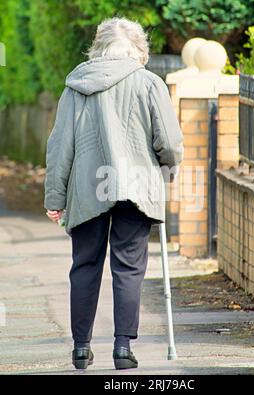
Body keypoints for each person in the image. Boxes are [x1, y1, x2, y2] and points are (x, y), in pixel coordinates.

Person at [44, 17, 183, 370]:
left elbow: (60, 147)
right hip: (136, 187)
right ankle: (123, 347)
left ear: (98, 46)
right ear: (138, 49)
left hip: (87, 188)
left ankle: (80, 347)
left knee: (85, 265)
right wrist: (168, 166)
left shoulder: (75, 86)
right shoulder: (150, 83)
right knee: (129, 266)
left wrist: (55, 199)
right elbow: (168, 142)